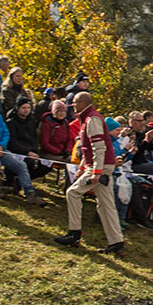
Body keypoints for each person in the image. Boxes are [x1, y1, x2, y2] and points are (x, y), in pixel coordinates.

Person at [53, 91, 125, 254]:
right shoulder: (90, 118)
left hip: (99, 166)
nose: (73, 105)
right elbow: (89, 149)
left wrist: (96, 171)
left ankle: (74, 233)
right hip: (102, 165)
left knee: (73, 193)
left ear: (83, 104)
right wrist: (82, 167)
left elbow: (98, 147)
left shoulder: (92, 119)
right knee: (106, 205)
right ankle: (116, 242)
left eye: (75, 102)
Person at [6, 97, 48, 183]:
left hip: (31, 150)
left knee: (47, 165)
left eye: (28, 108)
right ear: (18, 108)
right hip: (17, 151)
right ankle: (15, 180)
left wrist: (35, 151)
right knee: (29, 162)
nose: (26, 110)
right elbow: (12, 142)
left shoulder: (31, 121)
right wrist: (27, 152)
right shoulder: (11, 122)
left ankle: (22, 180)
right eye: (23, 108)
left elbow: (34, 138)